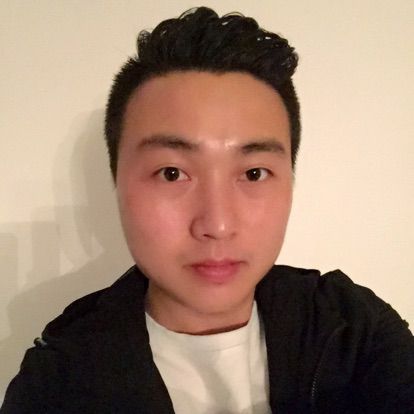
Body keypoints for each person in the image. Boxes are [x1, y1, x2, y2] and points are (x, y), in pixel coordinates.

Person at [1, 6, 413, 414]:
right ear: (116, 182)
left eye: (253, 173)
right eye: (171, 173)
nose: (217, 224)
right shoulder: (57, 385)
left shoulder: (355, 332)